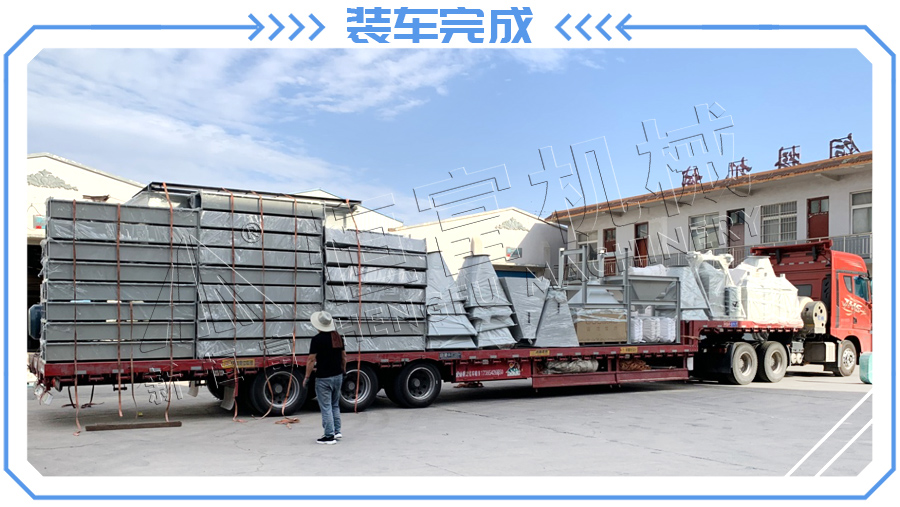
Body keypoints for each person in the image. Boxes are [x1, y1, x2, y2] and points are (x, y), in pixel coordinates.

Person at [304, 311, 346, 445]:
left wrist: (307, 376)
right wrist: (343, 371)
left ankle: (329, 436)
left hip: (323, 378)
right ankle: (337, 431)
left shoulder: (317, 340)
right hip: (338, 375)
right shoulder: (338, 337)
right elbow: (344, 357)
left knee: (326, 407)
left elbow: (311, 360)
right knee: (335, 405)